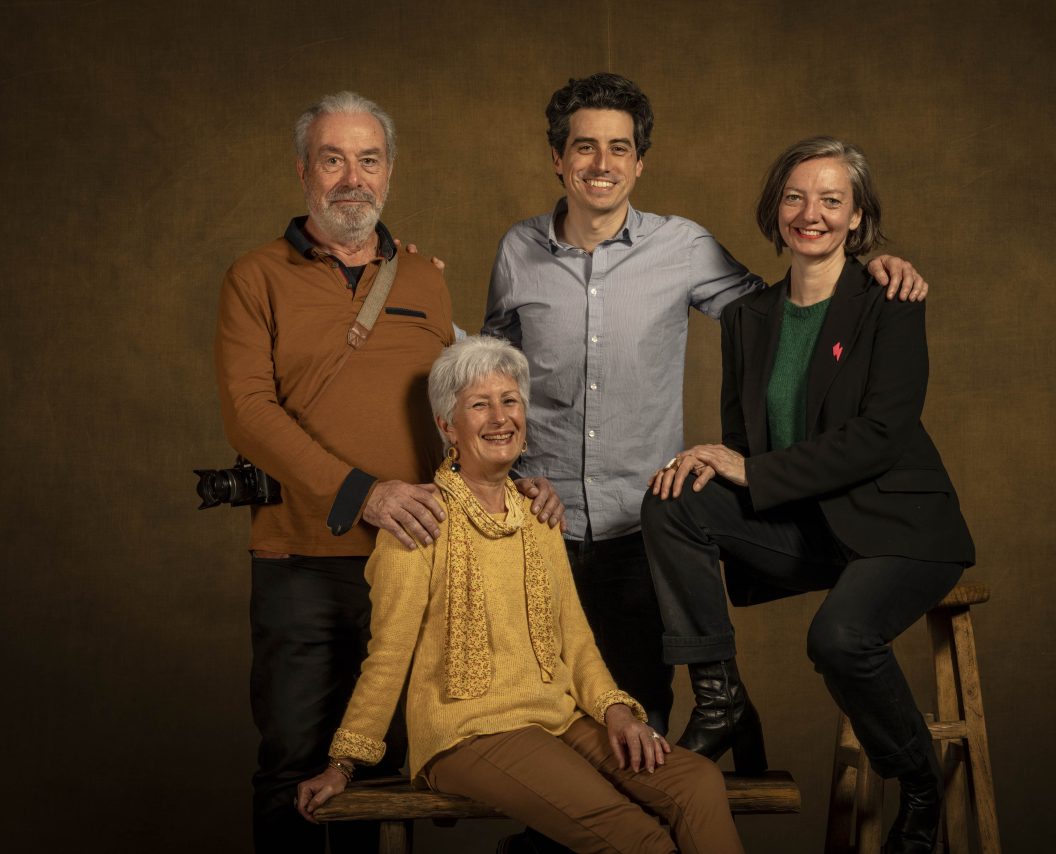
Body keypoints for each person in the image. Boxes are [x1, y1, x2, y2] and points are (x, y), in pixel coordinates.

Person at [483, 72, 928, 738]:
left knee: (640, 726)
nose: (602, 164)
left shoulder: (684, 246)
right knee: (535, 720)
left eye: (619, 148)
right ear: (558, 157)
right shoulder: (517, 250)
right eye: (584, 147)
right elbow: (493, 375)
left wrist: (872, 271)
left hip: (639, 527)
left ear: (640, 162)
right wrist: (508, 479)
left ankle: (725, 738)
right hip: (535, 523)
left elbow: (785, 312)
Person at [214, 91, 561, 853]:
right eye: (333, 159)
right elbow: (248, 414)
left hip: (413, 558)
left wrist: (512, 482)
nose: (352, 178)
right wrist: (361, 493)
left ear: (390, 171)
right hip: (301, 561)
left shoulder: (423, 278)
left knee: (380, 771)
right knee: (292, 764)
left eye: (368, 160)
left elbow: (458, 411)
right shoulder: (254, 276)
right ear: (303, 170)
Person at [642, 137, 976, 854]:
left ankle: (920, 785)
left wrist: (749, 472)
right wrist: (712, 462)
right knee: (674, 497)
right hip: (809, 526)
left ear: (857, 217)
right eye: (795, 197)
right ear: (775, 209)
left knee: (838, 639)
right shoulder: (748, 318)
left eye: (831, 200)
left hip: (899, 526)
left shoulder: (889, 299)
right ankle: (721, 699)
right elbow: (745, 443)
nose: (810, 214)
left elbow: (881, 435)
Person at [295, 336, 743, 854]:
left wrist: (616, 712)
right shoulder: (418, 521)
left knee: (697, 783)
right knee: (636, 836)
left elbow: (576, 639)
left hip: (558, 720)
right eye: (479, 405)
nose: (500, 417)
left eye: (509, 401)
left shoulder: (538, 513)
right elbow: (389, 654)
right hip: (468, 733)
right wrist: (343, 763)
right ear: (447, 426)